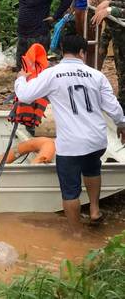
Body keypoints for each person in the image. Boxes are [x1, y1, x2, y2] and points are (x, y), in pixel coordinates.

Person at [14, 34, 125, 230]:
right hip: (96, 140)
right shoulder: (97, 75)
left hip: (71, 144)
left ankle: (76, 235)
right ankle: (94, 210)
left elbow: (24, 95)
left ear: (63, 51)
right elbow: (113, 107)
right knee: (92, 169)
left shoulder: (52, 74)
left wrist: (21, 79)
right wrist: (122, 124)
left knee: (70, 191)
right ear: (83, 53)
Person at [16, 0, 73, 66]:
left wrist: (55, 17)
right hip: (22, 34)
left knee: (37, 70)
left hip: (38, 35)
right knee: (22, 68)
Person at [92, 0, 125, 111]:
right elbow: (110, 24)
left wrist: (110, 6)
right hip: (120, 44)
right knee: (122, 81)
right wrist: (103, 45)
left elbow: (112, 12)